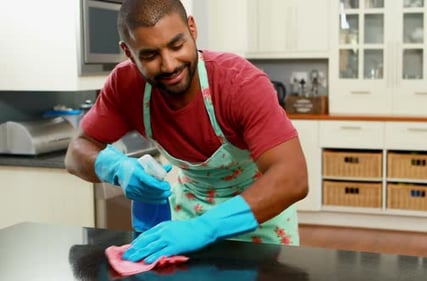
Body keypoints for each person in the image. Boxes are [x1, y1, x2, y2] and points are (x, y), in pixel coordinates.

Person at [64, 0, 308, 264]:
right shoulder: (125, 85)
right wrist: (116, 168)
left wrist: (204, 228)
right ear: (128, 52)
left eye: (176, 45)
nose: (169, 65)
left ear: (192, 28)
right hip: (185, 220)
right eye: (149, 55)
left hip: (258, 219)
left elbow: (292, 178)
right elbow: (76, 152)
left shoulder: (239, 83)